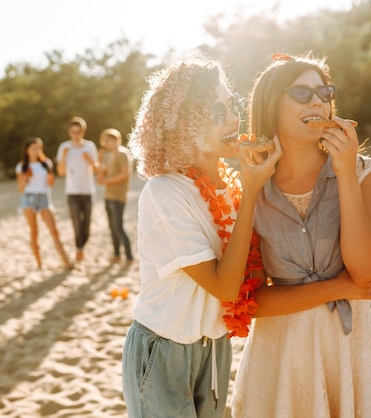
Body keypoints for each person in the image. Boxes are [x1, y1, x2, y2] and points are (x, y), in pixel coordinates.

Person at [231, 53, 371, 417]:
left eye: (325, 93)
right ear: (270, 105)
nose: (319, 103)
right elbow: (253, 301)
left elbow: (363, 271)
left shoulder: (363, 173)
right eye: (302, 93)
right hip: (278, 358)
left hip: (348, 352)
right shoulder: (253, 188)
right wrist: (337, 289)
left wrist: (343, 174)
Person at [121, 57, 283, 418]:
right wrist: (254, 189)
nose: (231, 117)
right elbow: (225, 287)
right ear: (183, 126)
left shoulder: (233, 187)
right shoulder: (164, 193)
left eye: (231, 105)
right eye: (214, 110)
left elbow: (252, 281)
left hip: (215, 348)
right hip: (163, 350)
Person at [16, 137, 72, 270]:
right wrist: (26, 177)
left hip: (44, 197)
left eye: (38, 148)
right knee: (34, 231)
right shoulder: (21, 166)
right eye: (33, 148)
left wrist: (49, 175)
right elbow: (20, 188)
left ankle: (66, 261)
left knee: (54, 230)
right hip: (29, 198)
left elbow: (50, 184)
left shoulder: (46, 163)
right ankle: (39, 262)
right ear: (27, 150)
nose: (36, 150)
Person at [56, 116, 99, 263]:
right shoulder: (64, 147)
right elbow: (60, 172)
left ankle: (82, 245)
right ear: (69, 132)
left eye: (78, 131)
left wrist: (90, 160)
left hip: (87, 190)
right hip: (72, 191)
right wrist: (63, 157)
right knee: (76, 222)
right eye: (73, 131)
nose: (76, 134)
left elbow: (95, 169)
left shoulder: (89, 146)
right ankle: (79, 249)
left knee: (86, 224)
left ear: (83, 132)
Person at [96, 128, 134, 263]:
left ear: (115, 139)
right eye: (104, 141)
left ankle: (129, 256)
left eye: (108, 140)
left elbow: (125, 175)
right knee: (112, 226)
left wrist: (106, 181)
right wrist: (100, 160)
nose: (106, 143)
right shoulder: (110, 155)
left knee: (118, 225)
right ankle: (117, 254)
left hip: (118, 196)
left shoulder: (122, 154)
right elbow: (100, 177)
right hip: (108, 195)